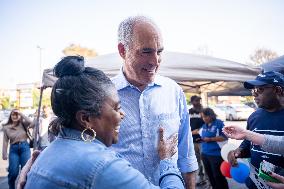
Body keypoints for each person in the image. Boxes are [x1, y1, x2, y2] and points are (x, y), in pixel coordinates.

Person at [24, 56, 185, 189]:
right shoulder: (103, 167)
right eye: (116, 108)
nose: (122, 115)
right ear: (86, 119)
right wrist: (167, 161)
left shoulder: (46, 154)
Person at [112, 15, 198, 188]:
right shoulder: (104, 94)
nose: (155, 61)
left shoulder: (173, 91)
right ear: (123, 50)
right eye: (146, 51)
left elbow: (186, 154)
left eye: (159, 52)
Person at [227, 71, 284, 189]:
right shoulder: (254, 116)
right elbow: (249, 141)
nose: (254, 94)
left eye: (260, 90)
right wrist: (239, 151)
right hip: (256, 183)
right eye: (253, 90)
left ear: (278, 90)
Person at [2, 109, 32, 189]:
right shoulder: (6, 127)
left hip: (24, 148)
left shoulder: (23, 124)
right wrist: (4, 153)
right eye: (13, 114)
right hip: (13, 150)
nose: (15, 116)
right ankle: (11, 187)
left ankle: (24, 187)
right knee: (13, 173)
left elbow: (31, 122)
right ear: (10, 116)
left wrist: (21, 113)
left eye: (16, 114)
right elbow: (5, 141)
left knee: (25, 171)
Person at [199, 107, 228, 189]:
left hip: (216, 155)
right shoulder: (204, 125)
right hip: (205, 154)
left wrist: (210, 139)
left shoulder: (219, 123)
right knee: (210, 176)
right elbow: (200, 133)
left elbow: (224, 137)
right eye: (202, 117)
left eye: (205, 116)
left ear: (211, 115)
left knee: (218, 176)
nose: (204, 119)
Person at [188, 95, 206, 185]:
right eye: (196, 101)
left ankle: (208, 180)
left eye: (199, 100)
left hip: (203, 140)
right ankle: (201, 179)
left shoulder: (203, 111)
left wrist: (199, 131)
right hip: (192, 141)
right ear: (192, 102)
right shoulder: (189, 112)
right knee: (197, 161)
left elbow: (208, 123)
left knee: (205, 161)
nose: (198, 102)